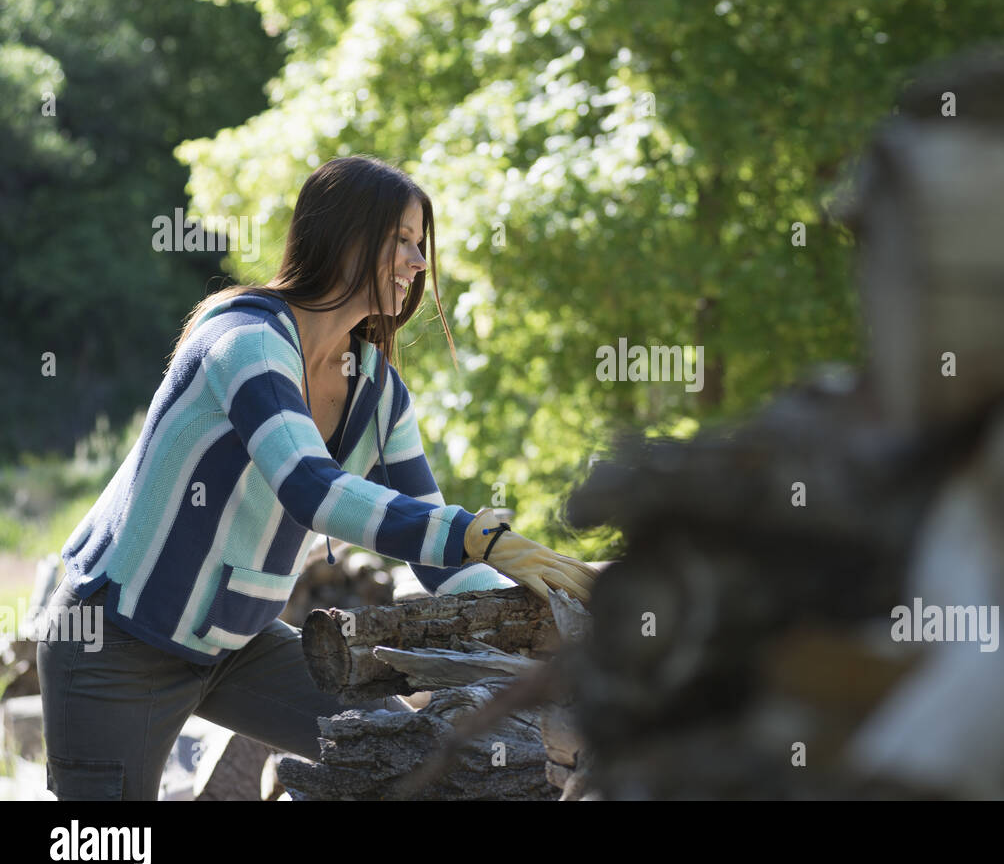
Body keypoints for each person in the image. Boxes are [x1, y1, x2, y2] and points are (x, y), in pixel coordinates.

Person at [36, 155, 599, 800]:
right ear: (347, 237)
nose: (419, 263)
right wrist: (473, 534)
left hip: (235, 645)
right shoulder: (244, 338)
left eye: (423, 246)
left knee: (415, 759)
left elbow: (440, 559)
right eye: (403, 242)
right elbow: (311, 487)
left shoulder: (377, 392)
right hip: (115, 639)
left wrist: (542, 613)